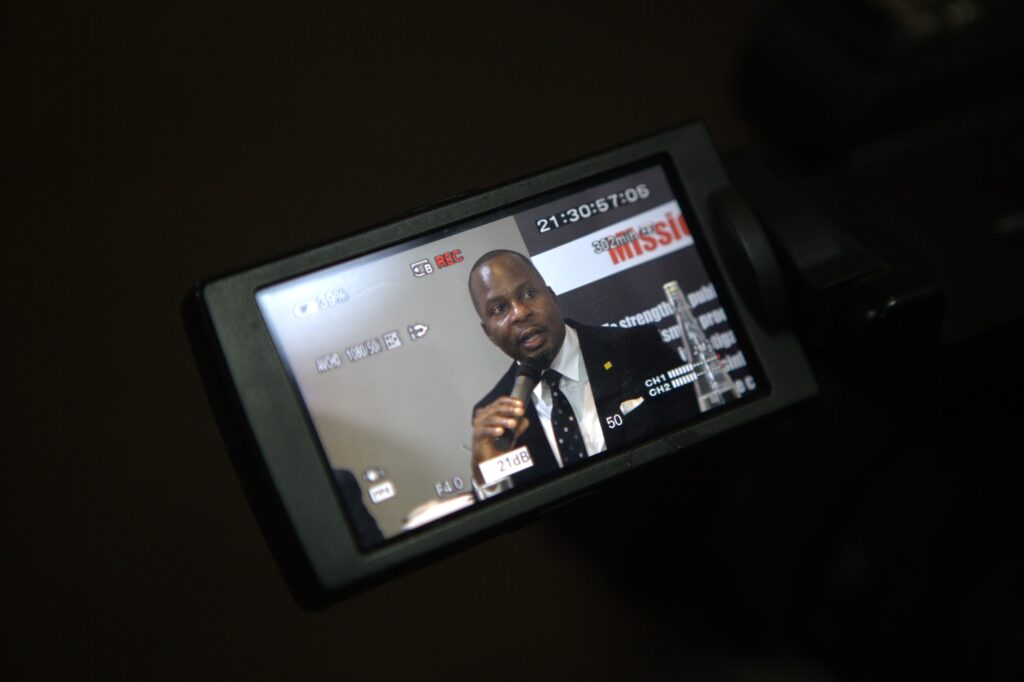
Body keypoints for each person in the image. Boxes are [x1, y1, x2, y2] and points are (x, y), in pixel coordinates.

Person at [468, 250, 699, 495]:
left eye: (529, 294)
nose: (520, 313)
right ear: (489, 333)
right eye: (499, 308)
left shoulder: (638, 347)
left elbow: (696, 433)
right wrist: (488, 478)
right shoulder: (494, 419)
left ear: (553, 297)